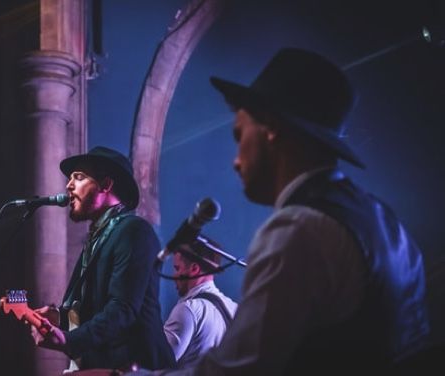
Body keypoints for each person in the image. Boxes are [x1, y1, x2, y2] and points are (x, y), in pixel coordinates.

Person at [131, 47, 430, 376]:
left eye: (239, 135)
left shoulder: (298, 229)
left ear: (270, 127)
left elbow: (239, 371)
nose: (235, 159)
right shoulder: (382, 219)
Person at [32, 146, 176, 372]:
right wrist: (58, 317)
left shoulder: (134, 231)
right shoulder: (97, 239)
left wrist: (69, 341)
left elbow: (123, 309)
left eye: (78, 178)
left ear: (106, 185)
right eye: (70, 179)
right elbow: (93, 308)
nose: (68, 186)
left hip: (139, 369)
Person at [163, 239, 237, 368]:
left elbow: (158, 363)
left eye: (177, 268)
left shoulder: (188, 310)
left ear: (194, 269)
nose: (174, 275)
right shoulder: (236, 310)